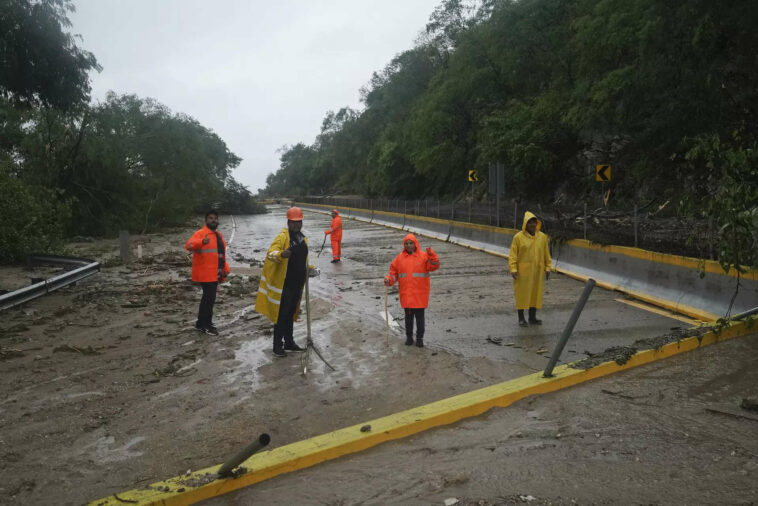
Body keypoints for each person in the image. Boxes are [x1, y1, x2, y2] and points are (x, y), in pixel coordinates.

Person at [255, 207, 315, 357]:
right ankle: (277, 346)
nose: (296, 225)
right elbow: (271, 254)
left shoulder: (303, 238)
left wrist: (311, 269)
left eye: (299, 222)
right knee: (281, 315)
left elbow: (302, 259)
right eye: (293, 222)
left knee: (290, 314)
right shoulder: (283, 237)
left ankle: (289, 342)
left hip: (297, 283)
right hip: (285, 284)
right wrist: (282, 254)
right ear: (288, 222)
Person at [383, 234, 440, 347]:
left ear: (415, 244)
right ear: (404, 245)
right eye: (406, 244)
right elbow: (394, 273)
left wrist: (432, 255)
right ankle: (409, 337)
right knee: (408, 318)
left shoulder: (424, 256)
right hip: (407, 294)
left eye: (411, 243)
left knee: (419, 319)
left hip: (419, 294)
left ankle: (419, 339)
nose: (409, 245)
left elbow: (434, 266)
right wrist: (389, 280)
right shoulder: (399, 258)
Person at [185, 210, 230, 335]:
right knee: (208, 299)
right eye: (210, 218)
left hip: (216, 273)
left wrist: (225, 268)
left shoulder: (218, 235)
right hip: (205, 273)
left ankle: (205, 323)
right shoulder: (200, 233)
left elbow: (220, 254)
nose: (213, 220)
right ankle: (203, 325)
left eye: (215, 218)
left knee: (210, 299)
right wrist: (201, 242)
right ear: (206, 220)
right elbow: (188, 245)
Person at [508, 211, 552, 327]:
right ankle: (521, 318)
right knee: (522, 294)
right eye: (529, 223)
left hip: (537, 271)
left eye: (534, 222)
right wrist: (513, 269)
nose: (532, 225)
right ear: (525, 224)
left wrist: (548, 267)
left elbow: (546, 253)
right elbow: (513, 255)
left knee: (535, 294)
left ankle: (532, 317)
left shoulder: (542, 237)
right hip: (523, 272)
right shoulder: (518, 238)